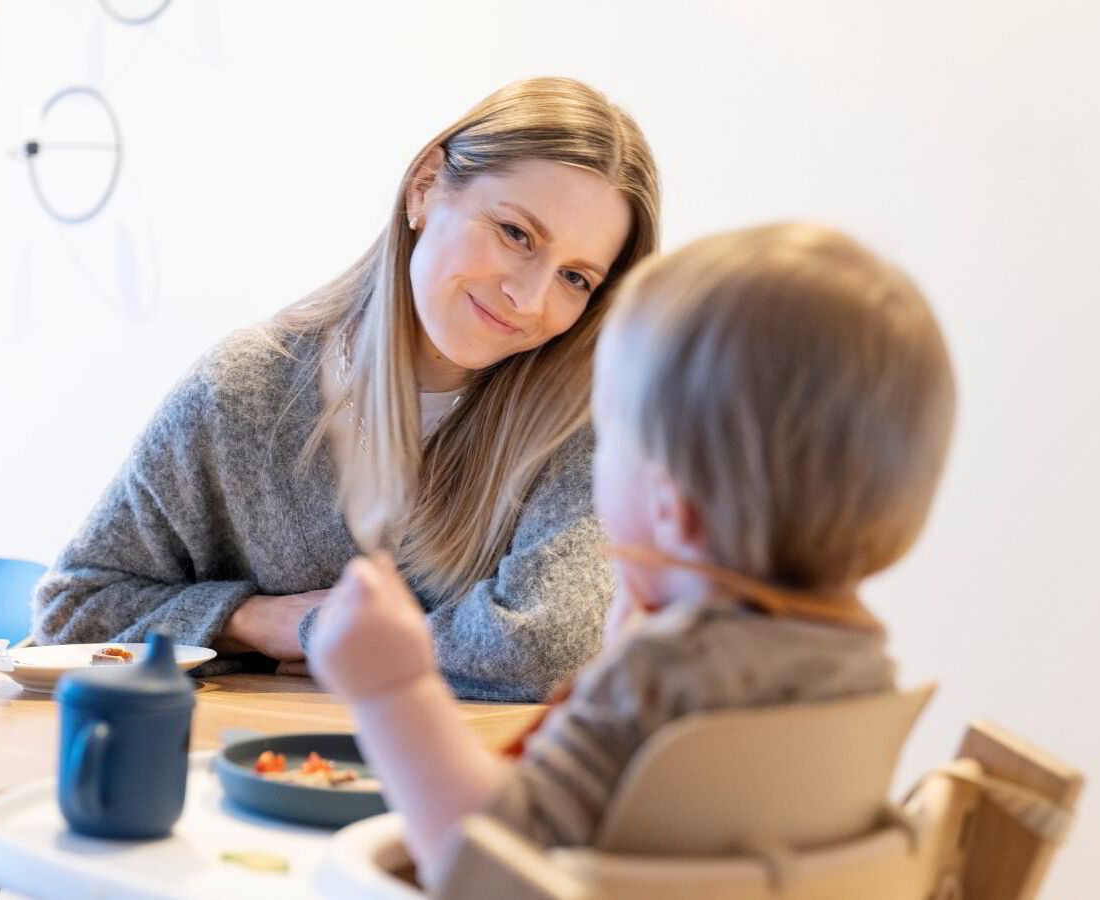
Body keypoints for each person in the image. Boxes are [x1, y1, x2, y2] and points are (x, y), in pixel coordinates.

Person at [308, 223, 957, 879]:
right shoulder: (859, 666)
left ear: (671, 509)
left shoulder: (662, 678)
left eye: (608, 433)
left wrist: (394, 690)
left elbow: (489, 867)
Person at [33, 77, 661, 701]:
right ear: (424, 189)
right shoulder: (247, 390)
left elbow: (550, 652)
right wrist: (248, 619)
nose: (529, 297)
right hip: (248, 777)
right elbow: (73, 614)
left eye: (575, 277)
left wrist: (318, 634)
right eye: (516, 233)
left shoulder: (589, 424)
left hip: (460, 792)